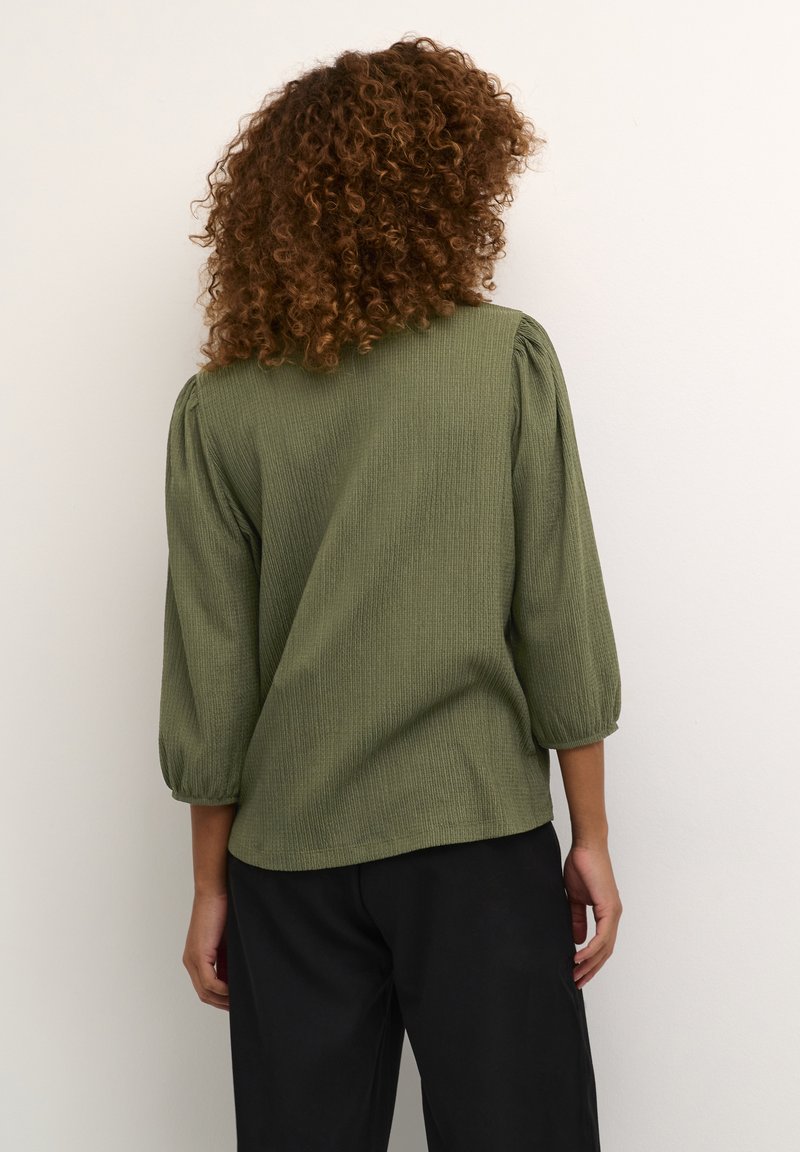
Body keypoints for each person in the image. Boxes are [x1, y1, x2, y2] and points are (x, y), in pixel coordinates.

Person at [158, 34, 623, 1152]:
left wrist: (210, 887)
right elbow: (557, 616)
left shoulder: (220, 410)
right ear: (451, 188)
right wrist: (592, 835)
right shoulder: (504, 359)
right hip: (476, 842)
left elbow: (212, 675)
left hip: (287, 866)